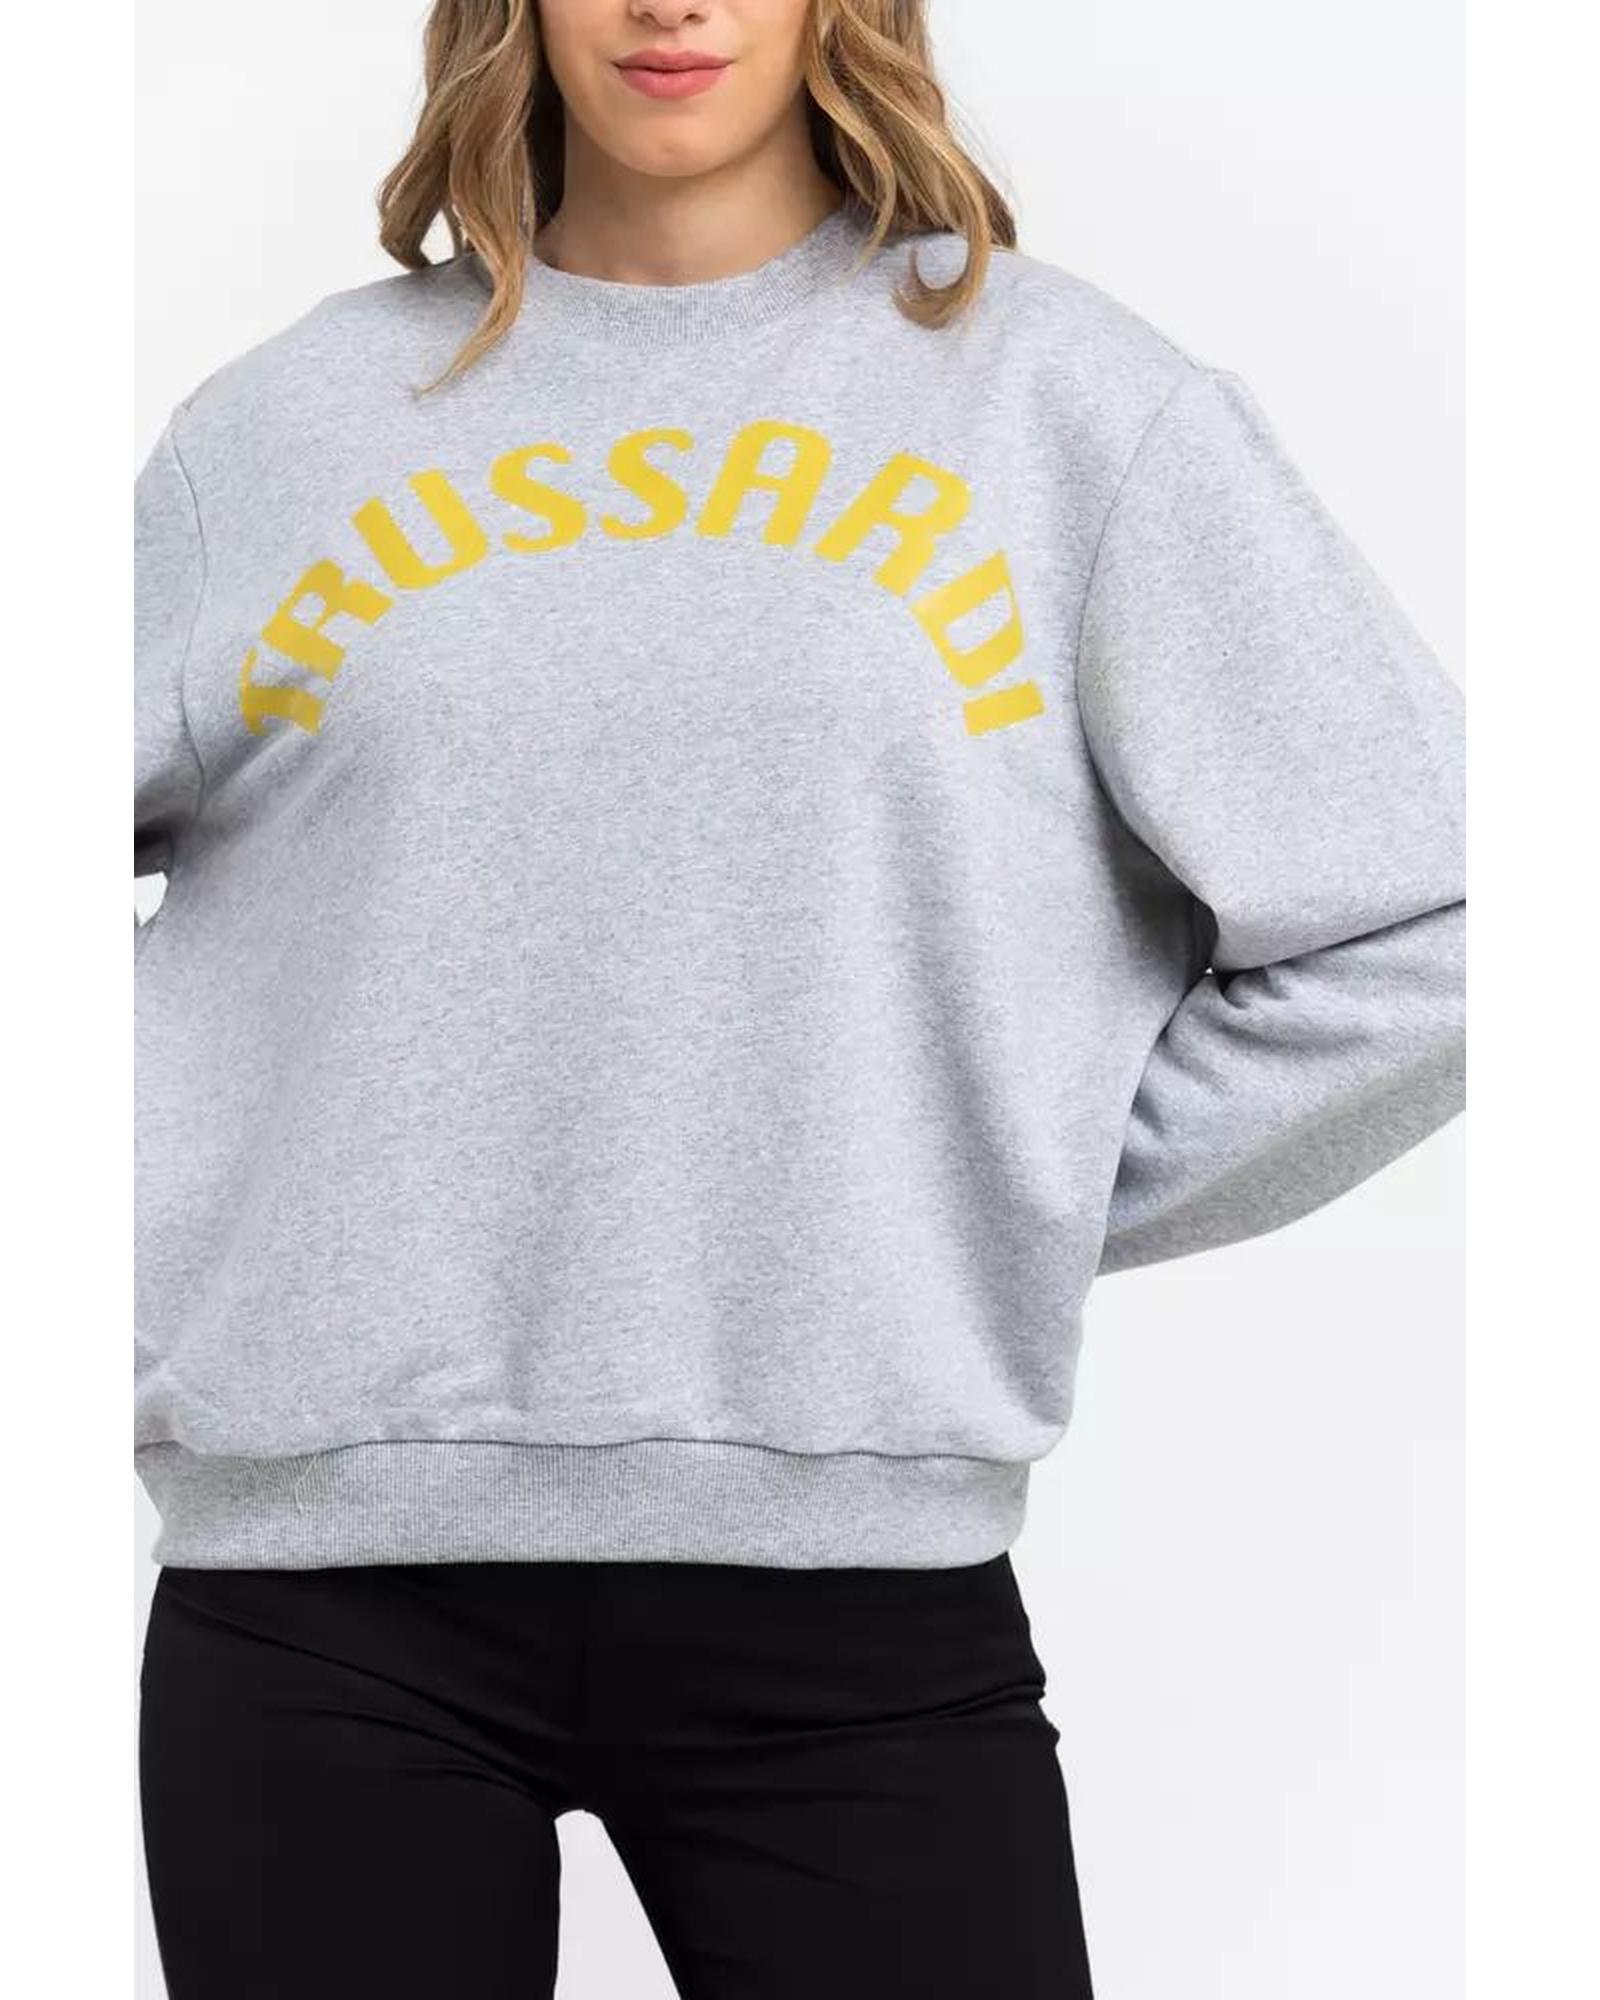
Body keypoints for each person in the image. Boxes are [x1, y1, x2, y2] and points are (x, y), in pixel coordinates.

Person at [133, 2, 1467, 1995]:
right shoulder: (282, 431)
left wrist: (991, 1179)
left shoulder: (1068, 411)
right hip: (319, 1594)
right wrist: (181, 1162)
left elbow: (1442, 922)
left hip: (858, 1614)